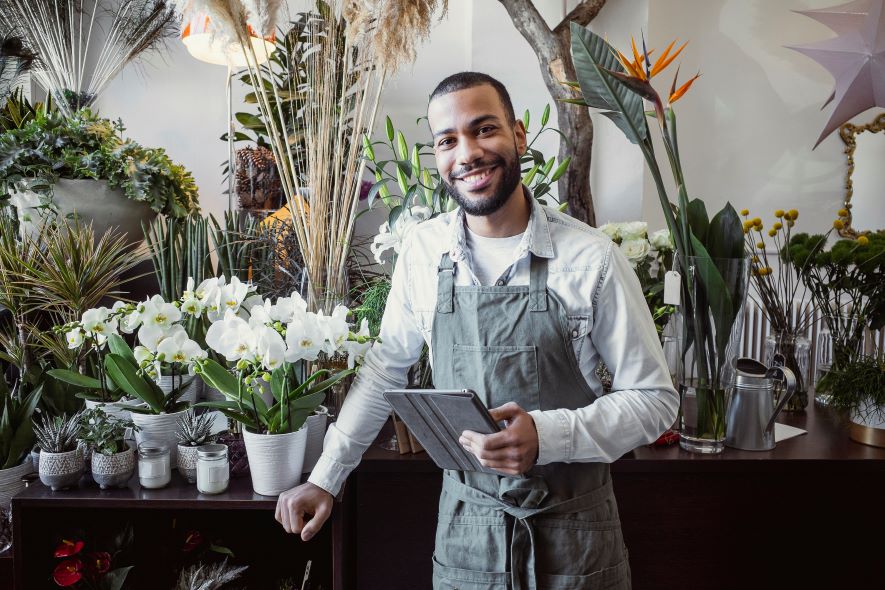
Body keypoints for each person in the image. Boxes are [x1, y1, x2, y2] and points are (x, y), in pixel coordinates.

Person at [275, 72, 679, 589]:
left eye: (484, 129)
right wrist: (325, 479)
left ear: (519, 135)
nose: (467, 153)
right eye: (448, 140)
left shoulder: (591, 259)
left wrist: (547, 436)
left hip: (575, 534)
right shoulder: (422, 253)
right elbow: (383, 374)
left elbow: (654, 401)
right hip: (468, 534)